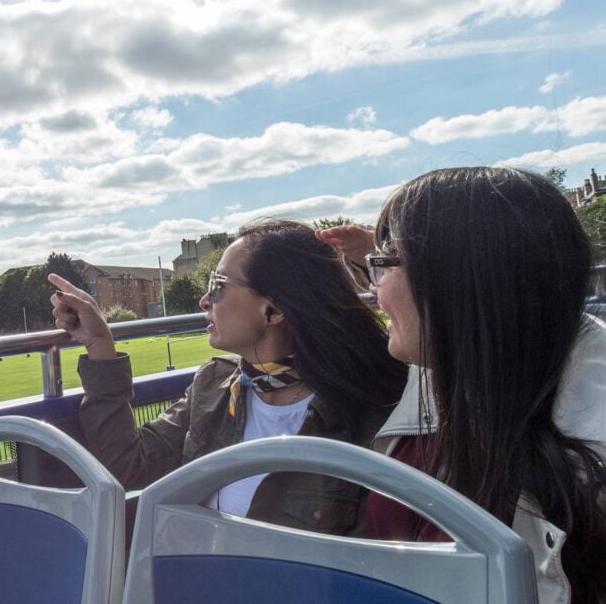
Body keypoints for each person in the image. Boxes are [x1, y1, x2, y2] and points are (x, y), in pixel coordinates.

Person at [318, 167, 606, 604]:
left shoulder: (589, 446)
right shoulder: (463, 370)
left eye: (382, 266)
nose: (373, 293)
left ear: (454, 277)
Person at [49, 220, 406, 535]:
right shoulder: (214, 384)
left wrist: (384, 264)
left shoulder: (372, 410)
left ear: (274, 310)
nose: (204, 300)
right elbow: (130, 466)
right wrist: (100, 346)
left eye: (217, 285)